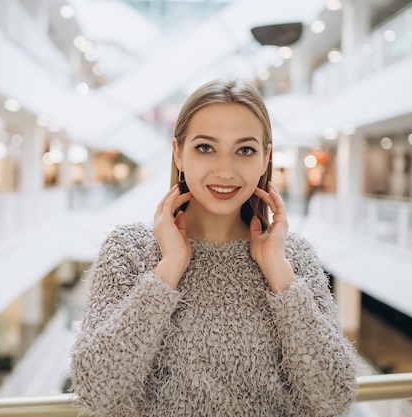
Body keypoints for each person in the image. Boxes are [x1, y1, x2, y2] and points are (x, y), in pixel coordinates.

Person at [69, 79, 358, 416]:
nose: (225, 170)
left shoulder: (294, 258)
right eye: (206, 147)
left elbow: (334, 397)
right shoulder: (128, 251)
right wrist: (169, 270)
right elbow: (96, 390)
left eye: (245, 150)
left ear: (266, 157)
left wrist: (278, 272)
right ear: (178, 153)